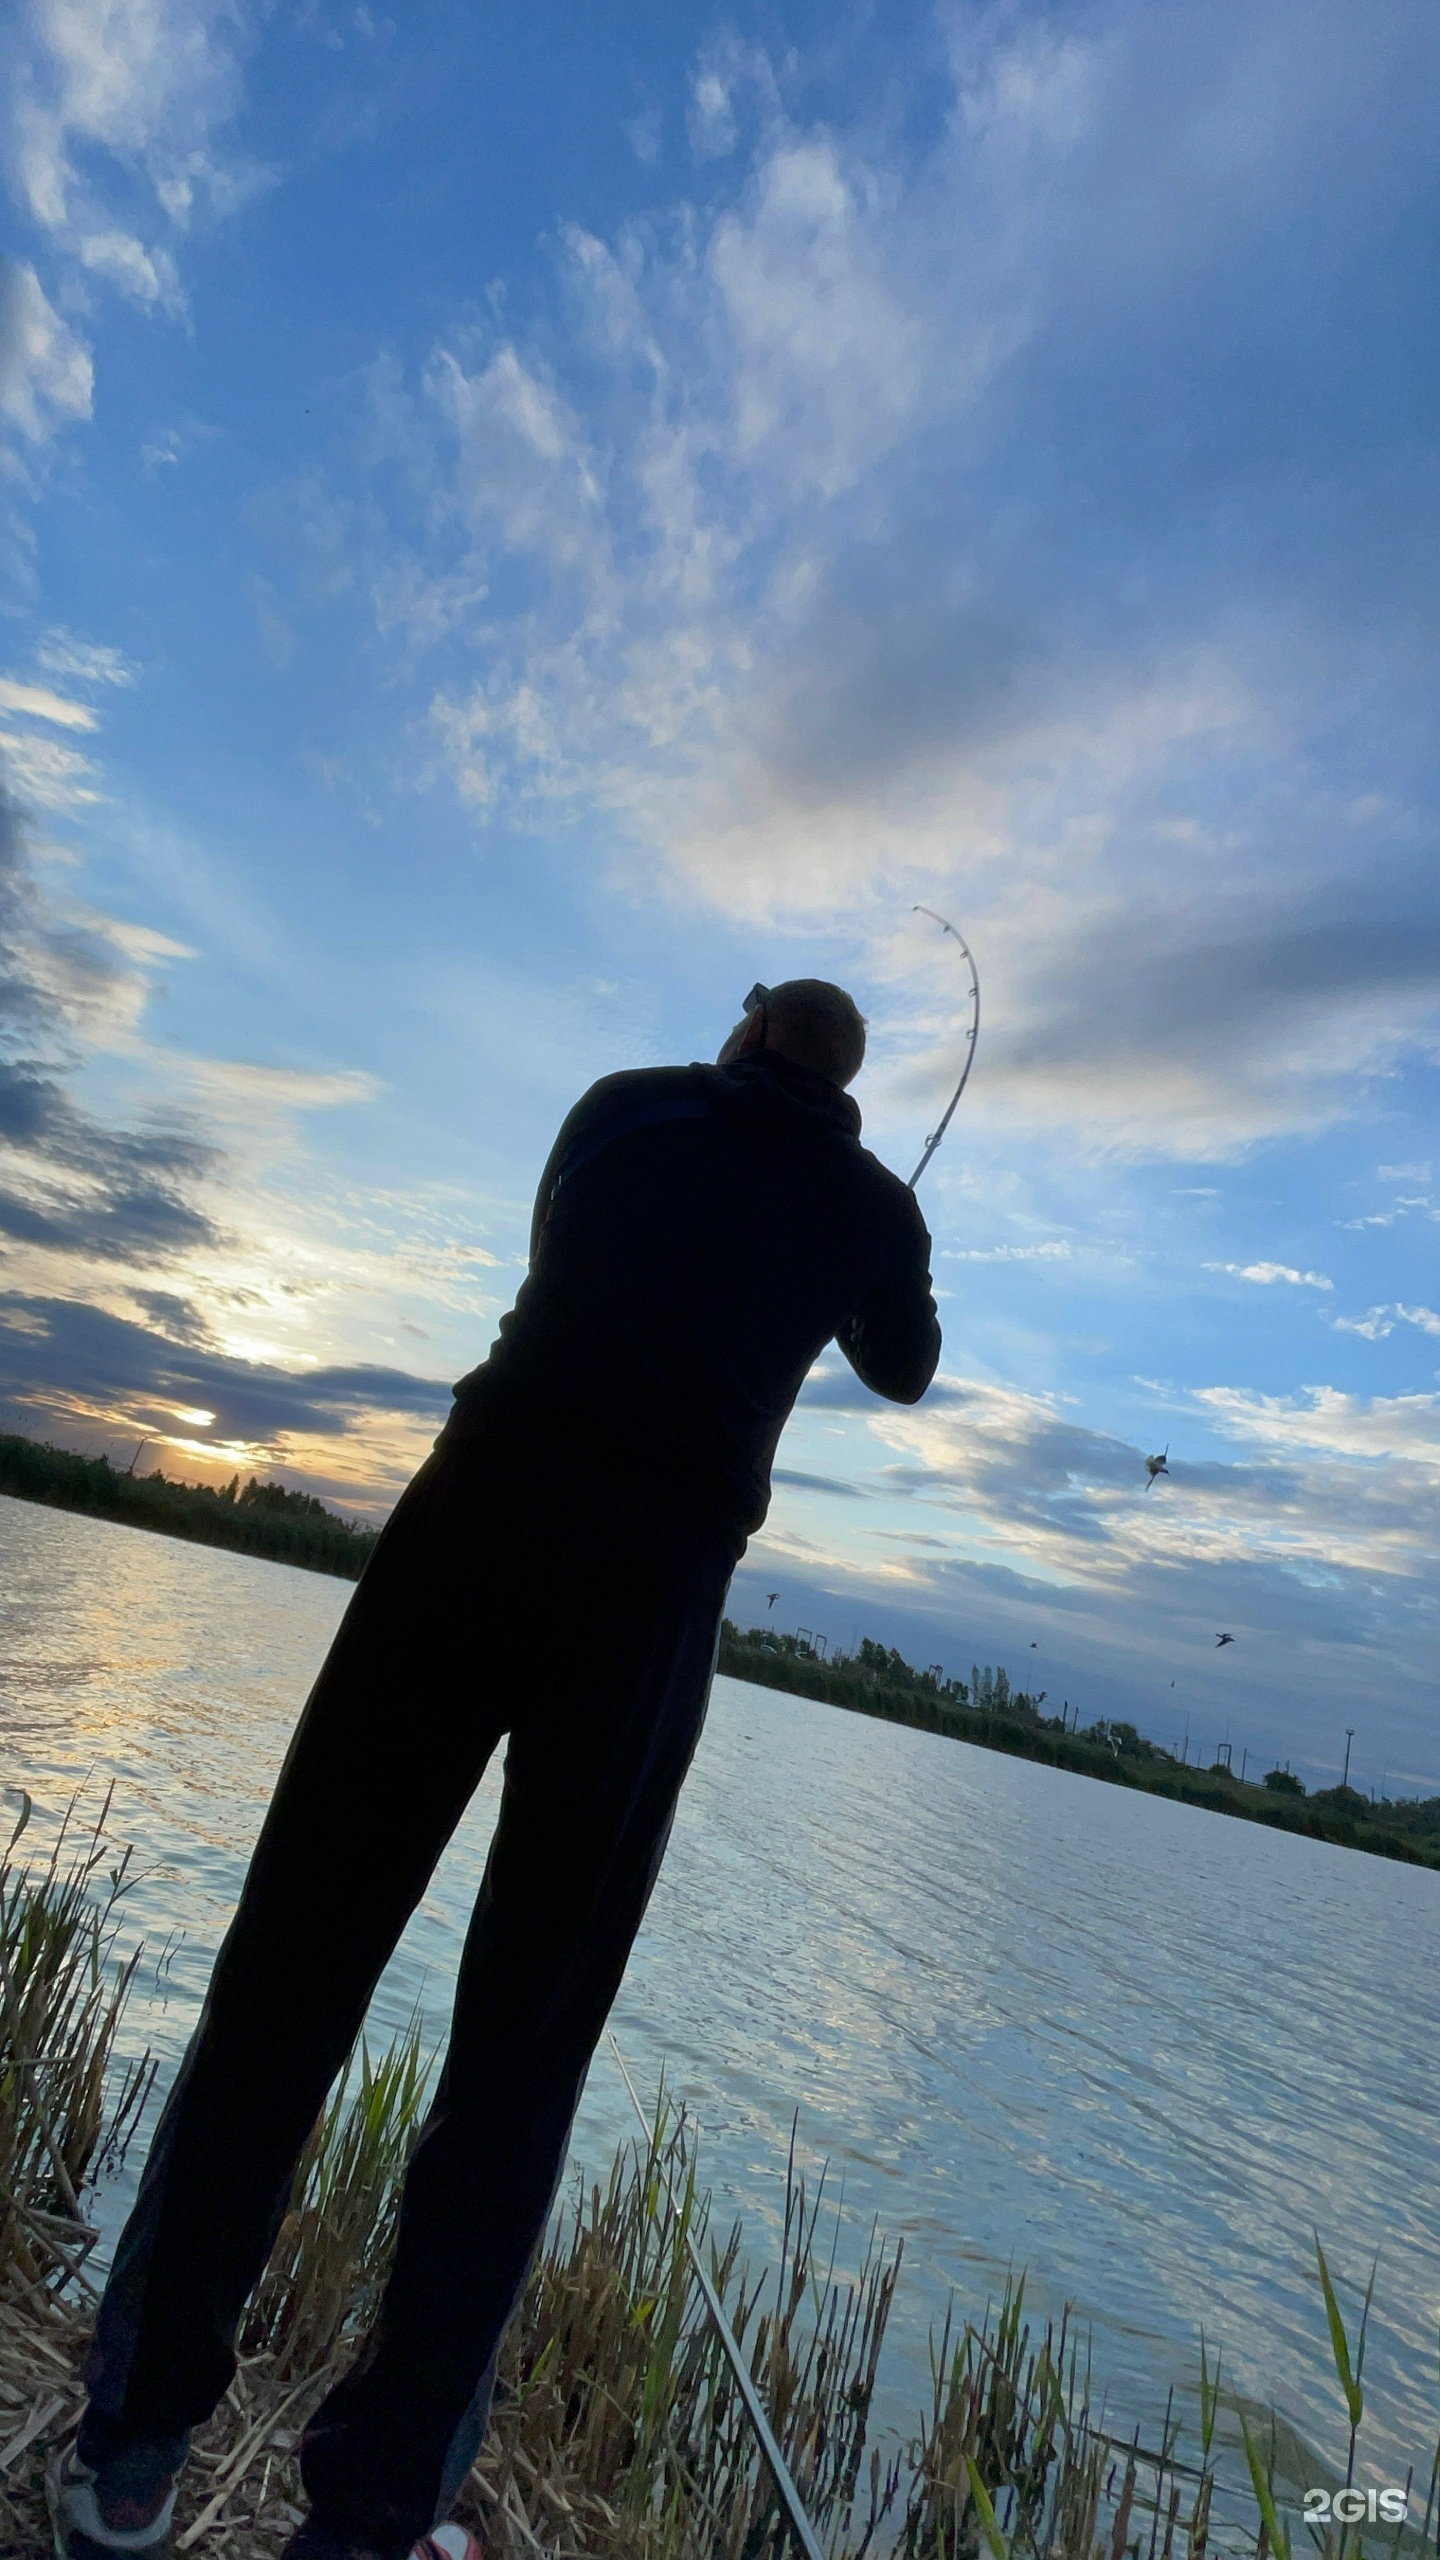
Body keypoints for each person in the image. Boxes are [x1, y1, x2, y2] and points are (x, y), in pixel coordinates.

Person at [53, 978, 941, 2560]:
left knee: (289, 1970)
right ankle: (377, 2512)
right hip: (649, 1605)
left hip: (471, 1529)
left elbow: (571, 1255)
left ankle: (131, 2451)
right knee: (523, 2059)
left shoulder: (618, 1106)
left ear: (744, 1029)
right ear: (848, 1083)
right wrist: (871, 1241)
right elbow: (905, 1369)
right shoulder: (875, 1206)